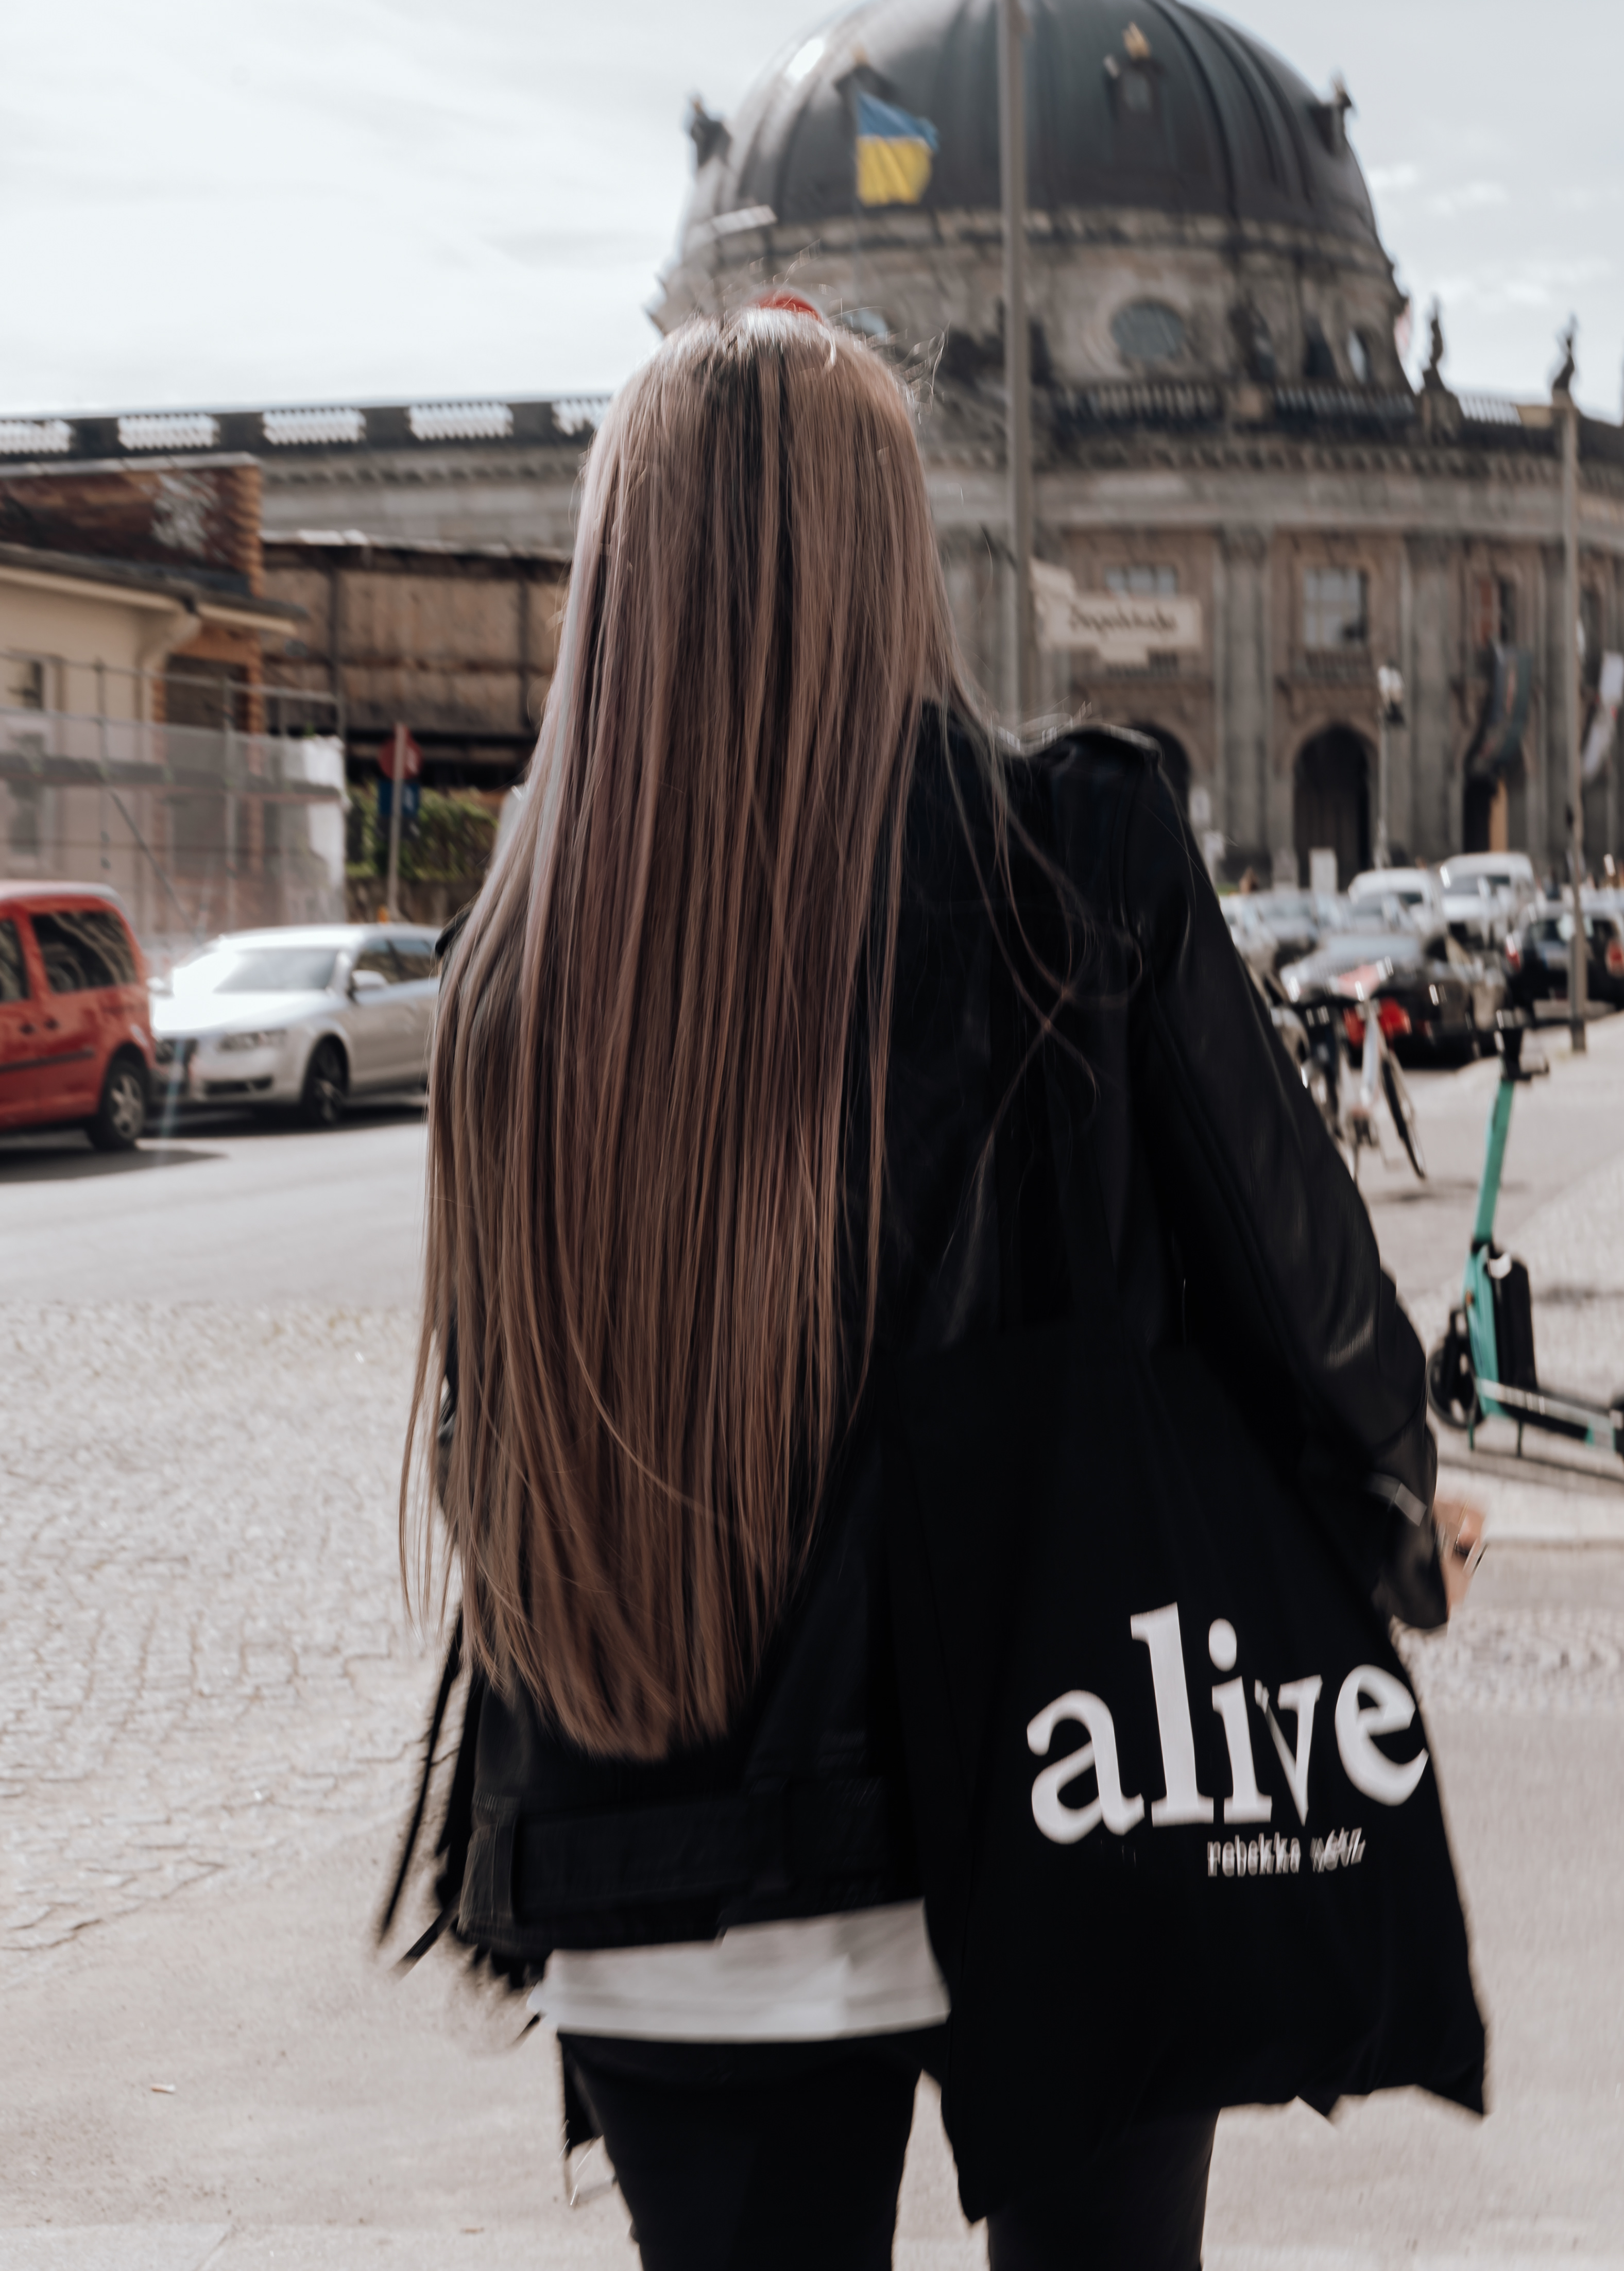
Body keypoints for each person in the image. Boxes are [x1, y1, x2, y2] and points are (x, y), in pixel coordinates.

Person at [399, 305, 1479, 2271]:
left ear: (620, 573)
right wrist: (1398, 1517)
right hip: (1062, 1790)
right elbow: (1305, 1290)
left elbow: (500, 1434)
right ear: (895, 551)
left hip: (648, 1864)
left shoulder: (513, 968)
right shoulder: (1080, 855)